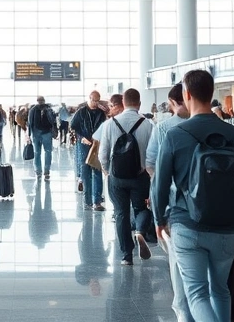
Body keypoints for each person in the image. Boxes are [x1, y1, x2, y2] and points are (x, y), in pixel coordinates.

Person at [154, 70, 234, 322]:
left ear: (186, 94)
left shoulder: (175, 135)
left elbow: (159, 184)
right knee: (221, 290)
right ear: (211, 94)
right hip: (227, 229)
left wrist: (159, 220)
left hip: (187, 224)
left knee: (197, 294)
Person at [144, 83, 192, 322]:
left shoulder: (164, 128)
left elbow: (151, 163)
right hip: (216, 210)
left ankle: (183, 312)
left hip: (175, 207)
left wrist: (159, 199)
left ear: (174, 102)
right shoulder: (219, 127)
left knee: (178, 261)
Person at [97, 88, 156, 266]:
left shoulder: (110, 124)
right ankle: (139, 231)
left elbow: (103, 154)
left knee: (121, 213)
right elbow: (152, 155)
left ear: (123, 102)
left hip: (117, 177)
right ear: (139, 104)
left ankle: (126, 256)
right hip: (140, 176)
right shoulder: (148, 124)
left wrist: (107, 170)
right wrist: (149, 173)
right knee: (141, 209)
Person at [72, 90, 108, 211]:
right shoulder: (81, 112)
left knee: (97, 170)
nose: (95, 103)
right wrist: (81, 137)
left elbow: (105, 126)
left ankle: (97, 201)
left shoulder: (101, 113)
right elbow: (73, 127)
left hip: (97, 144)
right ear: (89, 98)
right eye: (94, 100)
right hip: (84, 144)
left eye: (98, 100)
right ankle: (88, 201)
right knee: (86, 172)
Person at [27, 96, 56, 179]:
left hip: (44, 133)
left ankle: (43, 171)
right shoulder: (33, 110)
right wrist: (28, 135)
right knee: (40, 152)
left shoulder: (47, 109)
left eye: (41, 101)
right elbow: (29, 122)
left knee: (43, 152)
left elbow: (53, 121)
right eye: (39, 101)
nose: (40, 102)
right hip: (38, 134)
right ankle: (40, 171)